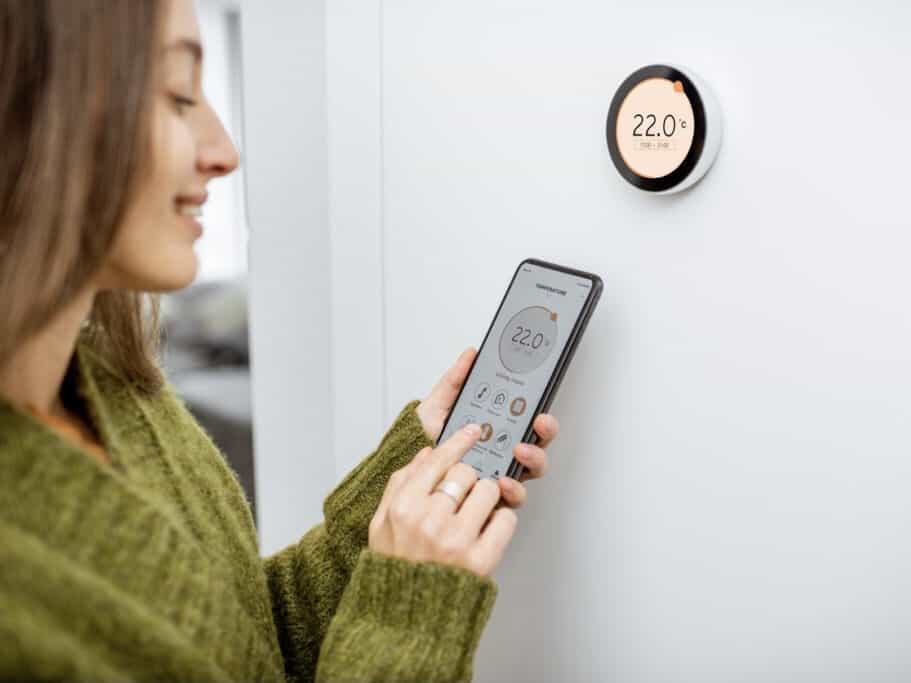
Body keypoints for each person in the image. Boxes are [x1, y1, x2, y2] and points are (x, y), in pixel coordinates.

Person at [0, 1, 561, 681]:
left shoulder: (120, 391)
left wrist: (400, 498)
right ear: (30, 113)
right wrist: (407, 611)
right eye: (179, 94)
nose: (225, 152)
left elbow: (242, 645)